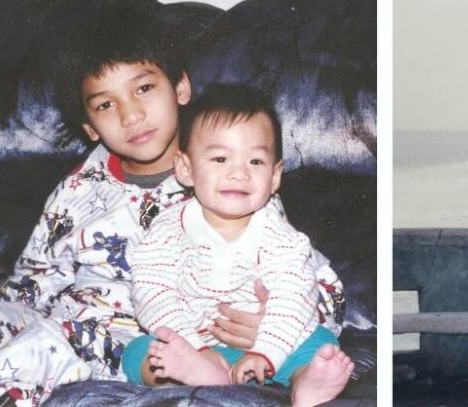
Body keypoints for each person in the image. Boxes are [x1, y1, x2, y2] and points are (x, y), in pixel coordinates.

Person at [0, 3, 343, 406]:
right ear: (90, 126)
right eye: (106, 104)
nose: (132, 114)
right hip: (67, 317)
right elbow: (35, 276)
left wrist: (271, 326)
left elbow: (310, 278)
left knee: (38, 349)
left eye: (143, 88)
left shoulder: (227, 179)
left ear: (180, 88)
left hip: (136, 339)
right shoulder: (76, 188)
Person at [124, 85, 354, 406]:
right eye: (220, 158)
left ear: (274, 177)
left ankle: (307, 386)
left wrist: (266, 352)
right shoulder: (166, 229)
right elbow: (152, 292)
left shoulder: (281, 236)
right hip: (192, 344)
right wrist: (194, 348)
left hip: (269, 341)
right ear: (186, 169)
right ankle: (195, 374)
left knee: (320, 341)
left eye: (256, 162)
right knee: (138, 352)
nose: (238, 174)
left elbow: (294, 298)